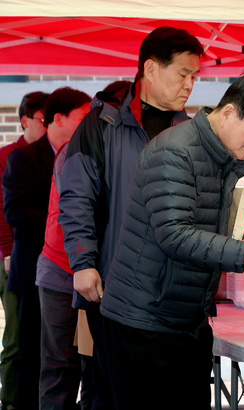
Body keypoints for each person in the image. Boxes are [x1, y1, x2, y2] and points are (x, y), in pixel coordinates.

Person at [100, 68, 244, 410]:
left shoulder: (219, 156)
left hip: (185, 322)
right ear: (231, 112)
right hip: (145, 323)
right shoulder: (175, 152)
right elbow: (174, 235)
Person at [57, 26, 203, 410]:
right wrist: (83, 263)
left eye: (195, 76)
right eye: (183, 74)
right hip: (111, 284)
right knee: (112, 391)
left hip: (170, 291)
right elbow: (76, 199)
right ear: (151, 70)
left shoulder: (190, 132)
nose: (190, 85)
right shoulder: (100, 125)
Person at [37, 81, 130, 410]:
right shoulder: (81, 146)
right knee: (60, 368)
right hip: (65, 271)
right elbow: (78, 211)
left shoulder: (118, 148)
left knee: (97, 370)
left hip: (96, 277)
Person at [3, 87, 91, 410]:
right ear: (59, 119)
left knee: (66, 360)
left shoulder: (82, 154)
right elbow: (13, 212)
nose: (88, 124)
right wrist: (63, 221)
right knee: (31, 354)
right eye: (82, 117)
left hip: (73, 268)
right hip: (33, 269)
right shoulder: (22, 157)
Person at [0, 91, 49, 410]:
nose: (46, 127)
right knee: (16, 339)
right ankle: (10, 402)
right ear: (24, 121)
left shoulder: (51, 158)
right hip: (10, 257)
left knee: (31, 338)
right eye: (43, 120)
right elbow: (5, 209)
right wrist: (6, 249)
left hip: (33, 259)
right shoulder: (11, 155)